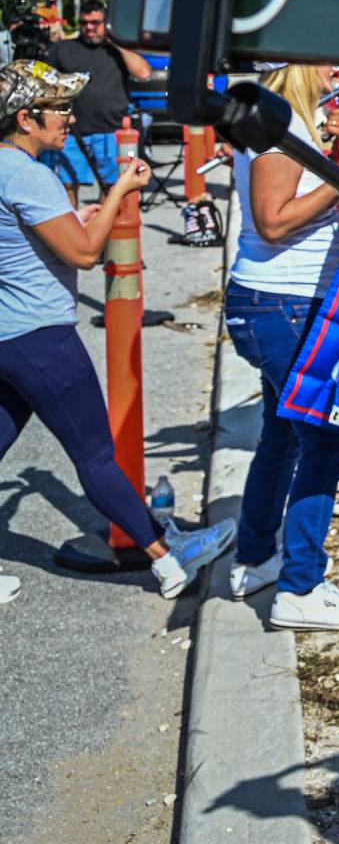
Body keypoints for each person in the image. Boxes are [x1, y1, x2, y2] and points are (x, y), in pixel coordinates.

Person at [0, 60, 236, 597]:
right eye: (58, 108)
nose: (69, 117)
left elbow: (40, 236)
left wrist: (84, 213)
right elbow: (84, 254)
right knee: (95, 457)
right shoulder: (27, 175)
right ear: (25, 118)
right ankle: (169, 558)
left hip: (8, 337)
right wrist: (120, 191)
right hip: (41, 337)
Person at [222, 62, 339, 629]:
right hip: (282, 305)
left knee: (281, 436)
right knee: (327, 444)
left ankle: (255, 556)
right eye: (329, 60)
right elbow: (272, 220)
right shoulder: (280, 124)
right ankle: (300, 586)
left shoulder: (290, 120)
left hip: (277, 304)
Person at [35, 0, 152, 203]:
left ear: (105, 24)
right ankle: (74, 229)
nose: (89, 28)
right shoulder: (62, 49)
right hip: (70, 130)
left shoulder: (116, 50)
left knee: (112, 185)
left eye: (95, 23)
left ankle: (101, 226)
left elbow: (143, 73)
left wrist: (115, 42)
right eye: (84, 23)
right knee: (68, 183)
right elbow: (44, 84)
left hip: (110, 129)